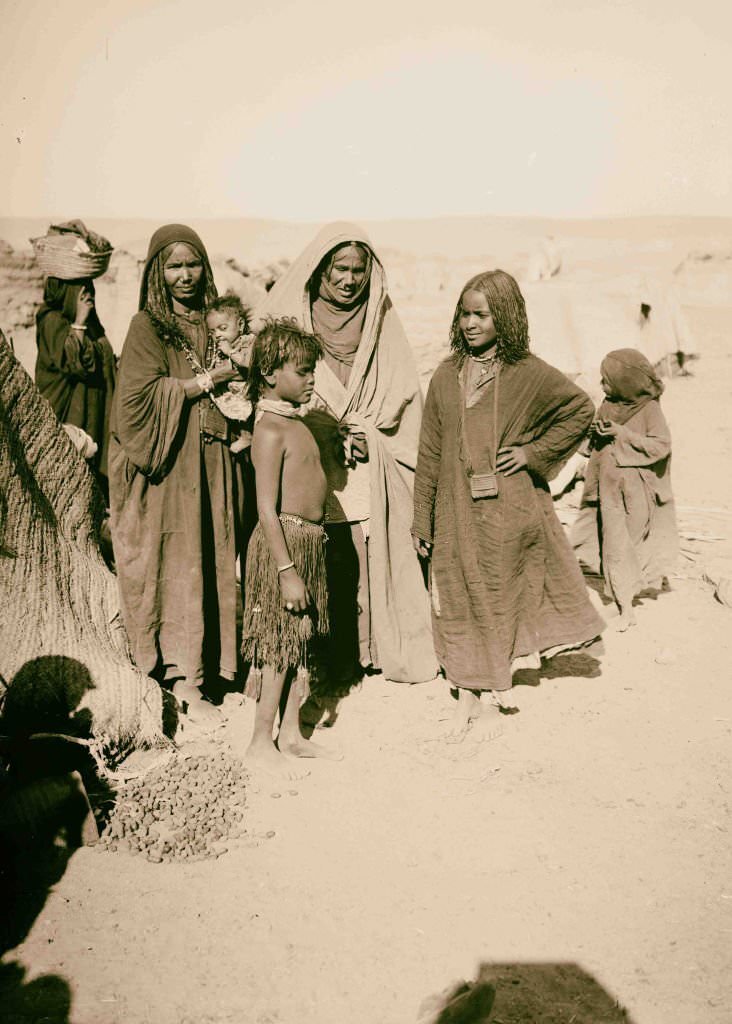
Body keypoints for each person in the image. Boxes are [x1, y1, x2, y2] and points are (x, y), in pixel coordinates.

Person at [412, 270, 605, 740]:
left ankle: (494, 688)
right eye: (465, 314)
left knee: (498, 596)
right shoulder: (445, 374)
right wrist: (422, 516)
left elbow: (579, 408)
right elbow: (430, 450)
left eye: (482, 314)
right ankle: (467, 691)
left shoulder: (527, 372)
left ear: (507, 317)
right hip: (454, 511)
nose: (470, 324)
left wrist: (531, 454)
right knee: (456, 595)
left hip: (507, 512)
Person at [253, 222, 437, 695]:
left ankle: (362, 653)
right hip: (304, 452)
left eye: (358, 270)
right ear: (319, 270)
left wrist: (367, 435)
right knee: (315, 552)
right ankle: (312, 660)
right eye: (340, 268)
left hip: (364, 455)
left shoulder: (379, 317)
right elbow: (270, 384)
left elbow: (401, 394)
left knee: (359, 551)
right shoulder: (292, 315)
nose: (350, 280)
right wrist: (323, 430)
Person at [108, 224, 245, 724]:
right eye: (174, 266)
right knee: (182, 563)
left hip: (214, 460)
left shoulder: (217, 322)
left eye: (193, 265)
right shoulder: (146, 326)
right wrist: (207, 381)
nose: (185, 276)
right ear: (156, 273)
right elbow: (135, 403)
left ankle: (216, 667)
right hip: (172, 466)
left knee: (215, 557)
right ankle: (183, 680)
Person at [241, 318, 336, 778]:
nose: (311, 378)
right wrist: (286, 569)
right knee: (278, 645)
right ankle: (261, 740)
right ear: (269, 375)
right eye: (301, 371)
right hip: (285, 545)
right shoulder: (270, 429)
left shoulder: (296, 423)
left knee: (300, 643)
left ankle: (292, 734)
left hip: (307, 543)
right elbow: (264, 507)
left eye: (312, 369)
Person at [571, 349, 678, 631]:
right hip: (607, 487)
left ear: (626, 381)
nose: (603, 386)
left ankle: (626, 603)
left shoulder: (650, 410)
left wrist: (621, 434)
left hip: (635, 492)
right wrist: (594, 432)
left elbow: (660, 445)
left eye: (607, 381)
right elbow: (590, 447)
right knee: (613, 545)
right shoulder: (608, 404)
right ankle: (624, 604)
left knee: (628, 545)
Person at [35, 273, 117, 490]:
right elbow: (75, 365)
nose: (88, 295)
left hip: (96, 415)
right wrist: (79, 323)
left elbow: (104, 358)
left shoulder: (92, 322)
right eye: (81, 289)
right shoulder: (52, 320)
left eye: (90, 287)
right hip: (69, 414)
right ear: (65, 291)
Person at [205, 292, 255, 453]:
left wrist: (230, 353)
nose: (217, 335)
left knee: (242, 408)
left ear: (240, 325)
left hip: (247, 389)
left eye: (223, 328)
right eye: (212, 332)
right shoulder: (223, 346)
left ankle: (247, 436)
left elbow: (249, 363)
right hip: (231, 388)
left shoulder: (248, 342)